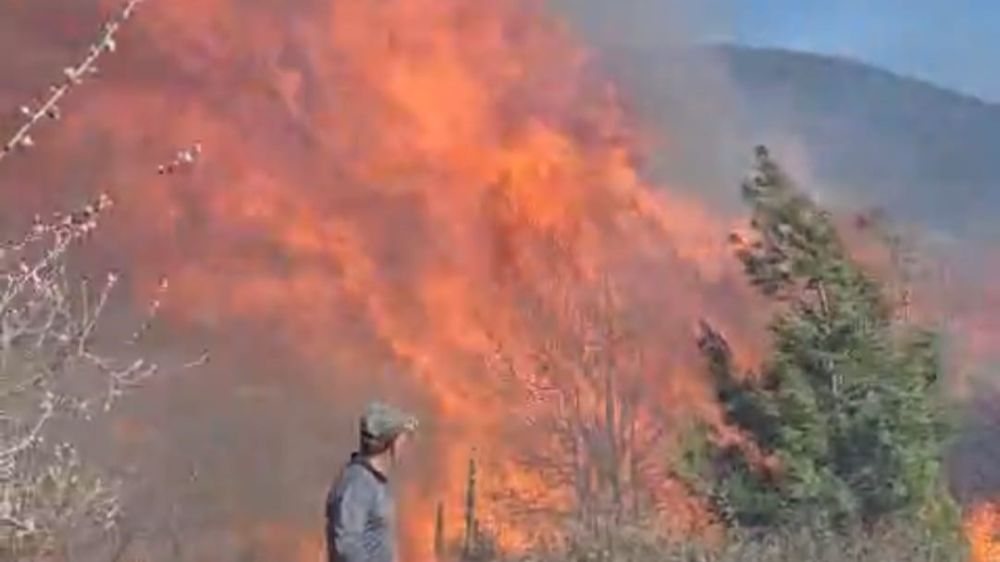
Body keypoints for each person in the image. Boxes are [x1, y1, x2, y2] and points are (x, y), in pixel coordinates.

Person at [326, 400, 419, 562]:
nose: (405, 446)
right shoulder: (358, 483)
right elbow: (346, 545)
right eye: (404, 439)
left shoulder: (374, 482)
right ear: (393, 444)